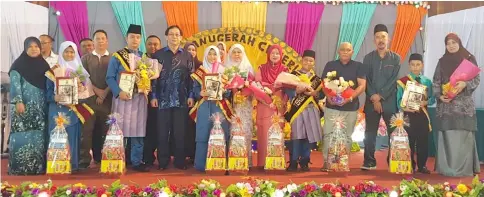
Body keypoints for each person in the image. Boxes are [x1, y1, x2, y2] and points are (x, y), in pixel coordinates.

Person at [433, 33, 480, 177]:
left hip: (464, 108)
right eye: (448, 43)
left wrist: (465, 83)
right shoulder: (441, 62)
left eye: (454, 42)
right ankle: (447, 168)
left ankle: (465, 169)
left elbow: (476, 79)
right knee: (448, 138)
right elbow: (436, 82)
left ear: (459, 43)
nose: (451, 45)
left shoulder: (469, 59)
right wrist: (439, 96)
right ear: (445, 46)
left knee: (464, 138)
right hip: (447, 108)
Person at [106, 24, 150, 172]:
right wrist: (118, 92)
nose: (135, 40)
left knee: (138, 131)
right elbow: (110, 77)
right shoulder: (117, 56)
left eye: (138, 37)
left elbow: (149, 78)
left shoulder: (144, 57)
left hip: (139, 99)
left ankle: (137, 161)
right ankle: (118, 158)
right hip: (122, 99)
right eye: (132, 37)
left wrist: (146, 87)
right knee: (120, 130)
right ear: (126, 38)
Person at [45, 41, 94, 172]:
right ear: (61, 52)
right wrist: (54, 97)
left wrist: (81, 89)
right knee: (58, 135)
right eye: (66, 51)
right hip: (58, 109)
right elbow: (48, 92)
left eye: (72, 52)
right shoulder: (54, 70)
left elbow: (87, 91)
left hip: (74, 108)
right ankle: (56, 164)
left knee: (73, 135)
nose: (69, 54)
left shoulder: (80, 71)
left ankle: (72, 164)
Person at [151, 25, 193, 170]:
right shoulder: (158, 55)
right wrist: (154, 96)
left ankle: (180, 161)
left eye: (177, 34)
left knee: (180, 132)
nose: (174, 37)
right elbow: (153, 78)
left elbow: (191, 78)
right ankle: (163, 161)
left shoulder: (187, 56)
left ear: (181, 37)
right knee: (162, 132)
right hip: (162, 99)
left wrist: (191, 96)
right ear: (166, 36)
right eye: (171, 34)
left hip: (182, 99)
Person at [320, 42, 367, 172]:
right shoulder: (330, 65)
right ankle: (326, 161)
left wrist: (350, 97)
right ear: (338, 52)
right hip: (332, 107)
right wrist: (328, 97)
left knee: (347, 136)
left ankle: (343, 161)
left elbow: (362, 85)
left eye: (348, 50)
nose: (345, 52)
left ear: (352, 52)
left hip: (350, 108)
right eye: (342, 50)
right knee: (328, 134)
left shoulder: (359, 66)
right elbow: (324, 83)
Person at [8, 37, 50, 175]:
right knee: (22, 134)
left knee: (38, 135)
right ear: (25, 49)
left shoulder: (44, 65)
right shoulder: (17, 65)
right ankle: (19, 168)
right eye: (30, 47)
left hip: (40, 107)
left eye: (36, 46)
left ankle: (37, 167)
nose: (34, 49)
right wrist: (18, 101)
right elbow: (15, 85)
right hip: (23, 106)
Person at [362, 24, 401, 170]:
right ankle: (369, 161)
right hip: (371, 101)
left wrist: (380, 96)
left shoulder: (396, 58)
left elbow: (393, 81)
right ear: (374, 40)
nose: (380, 40)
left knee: (393, 133)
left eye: (383, 37)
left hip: (389, 102)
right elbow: (366, 80)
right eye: (378, 37)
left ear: (388, 39)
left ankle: (393, 160)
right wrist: (373, 96)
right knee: (370, 133)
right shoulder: (368, 58)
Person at [188, 46, 233, 172]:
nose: (212, 57)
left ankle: (221, 164)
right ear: (206, 55)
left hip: (219, 106)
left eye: (215, 54)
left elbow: (229, 92)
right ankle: (201, 165)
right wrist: (200, 93)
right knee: (203, 134)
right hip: (204, 106)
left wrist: (224, 91)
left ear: (218, 56)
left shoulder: (224, 71)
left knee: (221, 134)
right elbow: (194, 89)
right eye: (210, 54)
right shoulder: (200, 71)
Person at [285, 50, 323, 172]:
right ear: (302, 61)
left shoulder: (317, 79)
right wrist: (297, 91)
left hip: (311, 109)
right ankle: (293, 161)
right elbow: (287, 91)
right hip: (297, 110)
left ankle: (305, 161)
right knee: (296, 135)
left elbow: (321, 95)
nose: (308, 62)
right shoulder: (293, 75)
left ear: (314, 63)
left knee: (308, 136)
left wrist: (315, 93)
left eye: (311, 61)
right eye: (306, 60)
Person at [396, 53, 434, 174]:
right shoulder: (402, 81)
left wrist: (425, 102)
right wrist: (407, 108)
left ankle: (422, 166)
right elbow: (399, 101)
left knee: (423, 142)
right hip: (409, 115)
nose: (415, 67)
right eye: (413, 65)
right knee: (410, 141)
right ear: (409, 66)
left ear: (422, 65)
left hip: (422, 115)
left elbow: (433, 98)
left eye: (418, 65)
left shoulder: (427, 81)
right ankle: (410, 165)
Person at [79, 29, 112, 169]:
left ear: (107, 41)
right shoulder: (85, 58)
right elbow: (83, 78)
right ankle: (84, 160)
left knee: (105, 131)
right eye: (97, 38)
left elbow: (115, 77)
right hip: (89, 100)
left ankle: (103, 158)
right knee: (87, 131)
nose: (100, 41)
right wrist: (98, 92)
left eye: (103, 38)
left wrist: (104, 93)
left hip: (108, 100)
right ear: (94, 42)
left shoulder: (113, 57)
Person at [255, 44, 288, 169]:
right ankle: (263, 163)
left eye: (277, 53)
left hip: (277, 107)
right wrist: (266, 99)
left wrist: (281, 103)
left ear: (281, 56)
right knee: (264, 134)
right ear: (268, 55)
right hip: (265, 105)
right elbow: (257, 85)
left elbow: (288, 89)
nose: (275, 55)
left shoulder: (284, 70)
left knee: (277, 134)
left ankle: (277, 162)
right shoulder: (261, 68)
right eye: (273, 53)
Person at [225, 44, 254, 168]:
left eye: (239, 52)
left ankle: (245, 160)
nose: (237, 54)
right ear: (230, 54)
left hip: (244, 104)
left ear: (243, 54)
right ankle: (232, 160)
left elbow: (254, 87)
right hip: (231, 105)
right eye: (234, 52)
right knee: (232, 130)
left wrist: (246, 89)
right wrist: (232, 90)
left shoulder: (248, 68)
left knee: (245, 130)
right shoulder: (226, 69)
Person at [142, 35, 162, 167]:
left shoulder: (163, 60)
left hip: (163, 100)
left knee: (160, 129)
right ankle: (147, 156)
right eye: (150, 44)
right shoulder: (140, 61)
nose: (153, 47)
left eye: (156, 44)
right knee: (147, 128)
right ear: (145, 45)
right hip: (144, 99)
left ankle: (162, 156)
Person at [184, 42, 203, 164]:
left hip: (199, 101)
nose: (191, 52)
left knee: (196, 127)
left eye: (193, 49)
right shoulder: (180, 63)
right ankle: (185, 153)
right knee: (185, 128)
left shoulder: (200, 66)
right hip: (182, 99)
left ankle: (194, 154)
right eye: (189, 49)